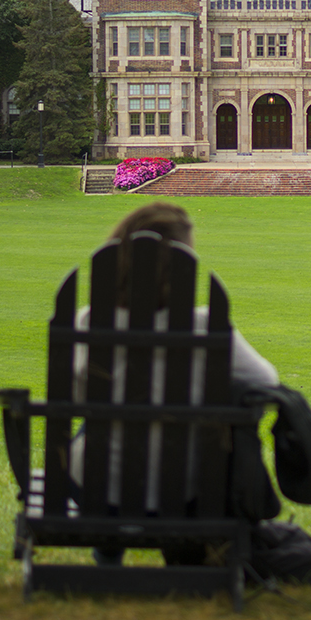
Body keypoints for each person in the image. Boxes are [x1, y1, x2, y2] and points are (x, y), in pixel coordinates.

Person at [69, 202, 281, 565]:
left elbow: (79, 396)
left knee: (97, 425)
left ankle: (108, 550)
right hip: (187, 488)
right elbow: (266, 383)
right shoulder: (205, 325)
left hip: (95, 489)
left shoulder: (88, 320)